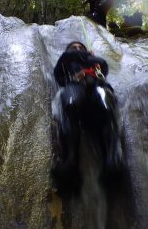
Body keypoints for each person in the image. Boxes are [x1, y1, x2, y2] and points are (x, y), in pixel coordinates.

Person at [51, 41, 124, 191]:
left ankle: (112, 159)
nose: (77, 49)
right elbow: (60, 71)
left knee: (106, 104)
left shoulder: (96, 64)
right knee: (71, 103)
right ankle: (70, 161)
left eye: (81, 48)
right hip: (75, 85)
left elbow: (103, 64)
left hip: (98, 86)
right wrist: (86, 56)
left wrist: (91, 59)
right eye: (74, 47)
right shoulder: (67, 59)